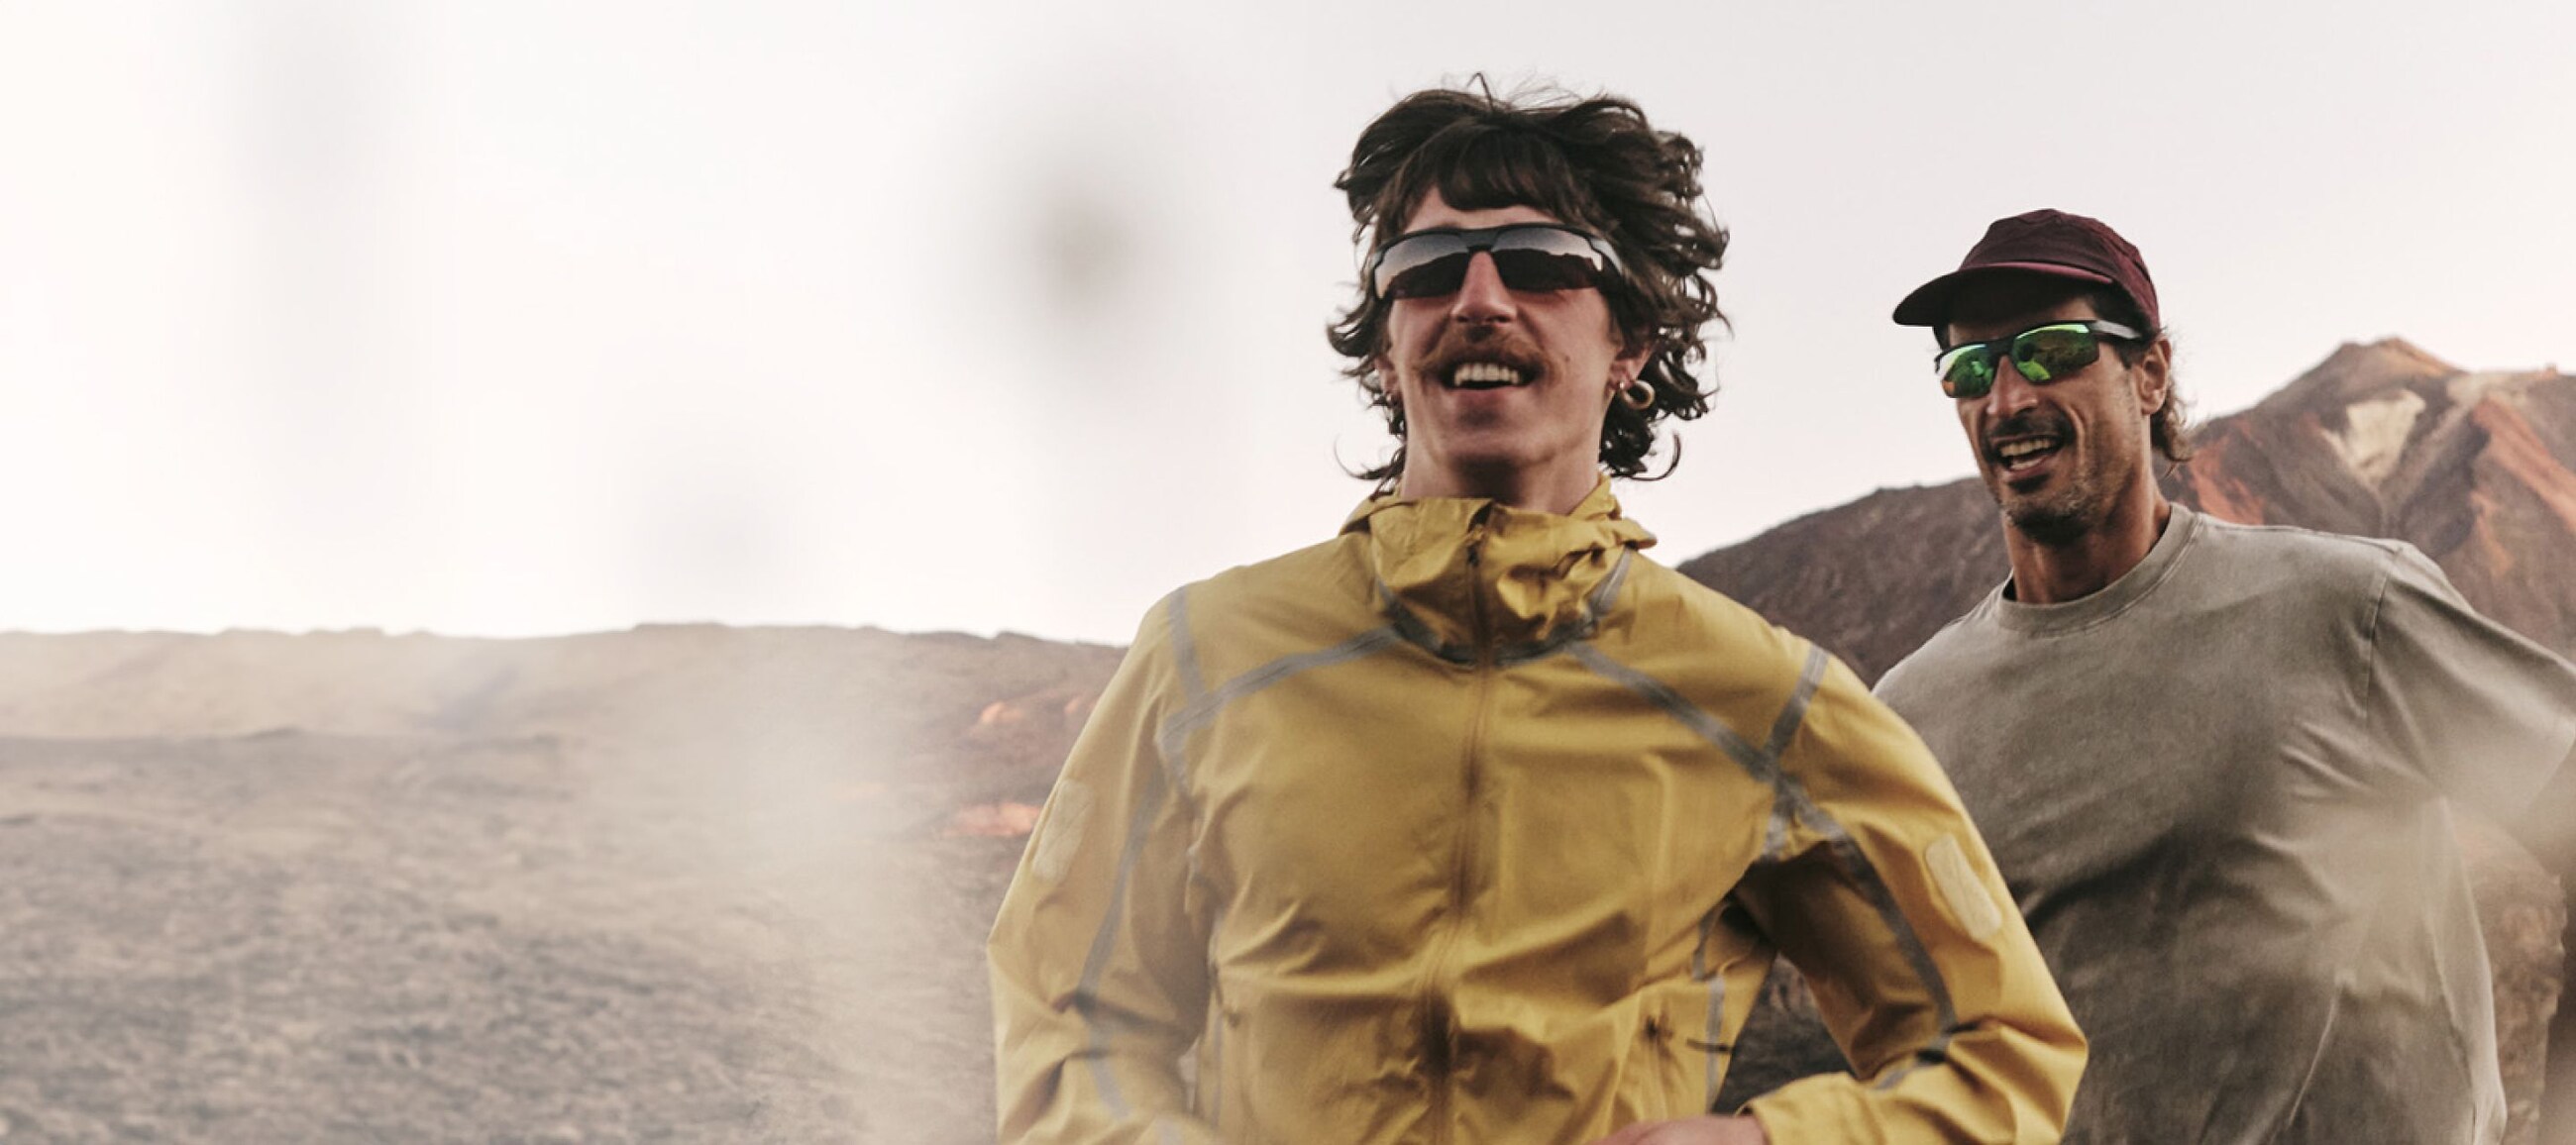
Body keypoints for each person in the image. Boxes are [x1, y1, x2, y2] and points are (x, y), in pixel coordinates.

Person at [987, 85, 2085, 1145]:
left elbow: (2003, 1054)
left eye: (1542, 263)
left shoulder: (1760, 698)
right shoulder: (1206, 657)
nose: (1477, 299)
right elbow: (1065, 1017)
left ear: (1629, 346)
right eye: (1425, 269)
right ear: (1384, 348)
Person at [1873, 208, 2576, 1143]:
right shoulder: (1910, 718)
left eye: (2049, 351)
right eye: (1970, 368)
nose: (2004, 399)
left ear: (2151, 372)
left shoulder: (2344, 610)